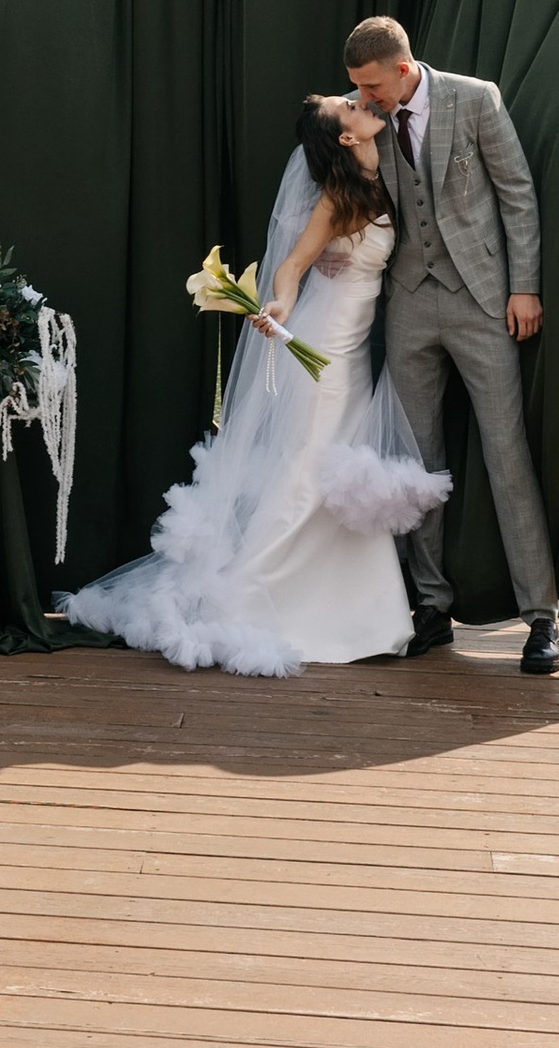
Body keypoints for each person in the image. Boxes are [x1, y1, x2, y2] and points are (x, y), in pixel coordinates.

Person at [58, 93, 449, 673]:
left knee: (338, 469)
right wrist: (280, 307)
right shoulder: (337, 199)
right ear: (346, 137)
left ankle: (356, 611)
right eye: (350, 105)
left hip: (354, 349)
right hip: (323, 344)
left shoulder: (382, 174)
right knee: (311, 467)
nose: (361, 104)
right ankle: (252, 595)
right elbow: (290, 266)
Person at [344, 13, 559, 674]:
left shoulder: (476, 98)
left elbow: (517, 194)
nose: (365, 97)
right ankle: (430, 608)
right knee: (418, 462)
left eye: (373, 86)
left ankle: (542, 617)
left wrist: (524, 287)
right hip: (406, 303)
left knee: (505, 451)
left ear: (404, 69)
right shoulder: (363, 116)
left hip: (482, 301)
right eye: (357, 87)